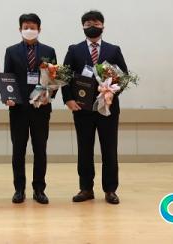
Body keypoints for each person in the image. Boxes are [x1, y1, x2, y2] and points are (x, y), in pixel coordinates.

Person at [62, 10, 128, 205]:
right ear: (83, 26)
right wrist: (68, 99)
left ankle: (110, 190)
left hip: (107, 108)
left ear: (103, 26)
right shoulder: (74, 50)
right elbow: (65, 77)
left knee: (109, 149)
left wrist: (111, 93)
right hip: (82, 109)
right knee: (84, 149)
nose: (93, 26)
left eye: (96, 23)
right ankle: (86, 188)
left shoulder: (113, 50)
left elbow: (124, 77)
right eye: (88, 23)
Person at [3, 13, 56, 204]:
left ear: (39, 29)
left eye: (33, 27)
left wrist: (49, 95)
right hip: (18, 109)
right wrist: (8, 98)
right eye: (26, 27)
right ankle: (19, 189)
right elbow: (7, 78)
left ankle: (39, 189)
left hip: (41, 108)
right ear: (20, 29)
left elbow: (54, 79)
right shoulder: (11, 51)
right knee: (18, 150)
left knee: (40, 150)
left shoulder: (49, 51)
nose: (29, 30)